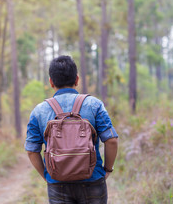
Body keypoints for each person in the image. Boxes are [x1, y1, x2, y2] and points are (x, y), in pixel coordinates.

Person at [25, 55, 118, 204]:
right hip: (92, 179)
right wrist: (107, 169)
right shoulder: (94, 105)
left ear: (51, 82)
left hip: (57, 183)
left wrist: (47, 176)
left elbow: (31, 150)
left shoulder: (39, 111)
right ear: (77, 79)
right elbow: (111, 140)